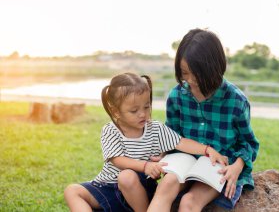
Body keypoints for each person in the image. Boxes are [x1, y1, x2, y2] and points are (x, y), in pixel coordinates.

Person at [64, 72, 227, 212]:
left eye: (146, 107)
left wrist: (207, 150)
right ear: (116, 111)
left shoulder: (154, 128)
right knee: (72, 191)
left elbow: (180, 142)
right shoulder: (111, 130)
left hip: (139, 189)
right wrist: (145, 165)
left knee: (127, 176)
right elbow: (118, 160)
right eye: (134, 111)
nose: (142, 114)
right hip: (107, 187)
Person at [148, 28, 260, 211]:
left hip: (218, 163)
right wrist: (162, 154)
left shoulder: (236, 101)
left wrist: (237, 167)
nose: (191, 80)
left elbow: (248, 143)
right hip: (184, 158)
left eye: (197, 74)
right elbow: (172, 135)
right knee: (165, 187)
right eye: (184, 72)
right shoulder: (177, 96)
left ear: (214, 67)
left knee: (189, 202)